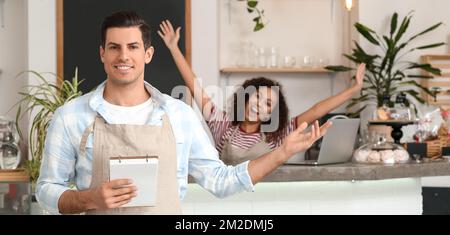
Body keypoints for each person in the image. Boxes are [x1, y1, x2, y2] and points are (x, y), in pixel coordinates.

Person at [36, 11, 331, 215]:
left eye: (133, 47)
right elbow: (47, 189)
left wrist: (280, 153)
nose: (123, 56)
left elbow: (221, 181)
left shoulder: (179, 115)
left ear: (147, 54)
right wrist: (88, 198)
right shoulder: (71, 116)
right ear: (102, 53)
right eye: (114, 47)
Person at [158, 20, 366, 165]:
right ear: (246, 98)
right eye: (257, 96)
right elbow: (195, 87)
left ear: (271, 115)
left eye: (268, 104)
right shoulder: (222, 126)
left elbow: (317, 109)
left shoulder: (278, 134)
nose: (260, 104)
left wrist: (354, 89)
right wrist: (174, 48)